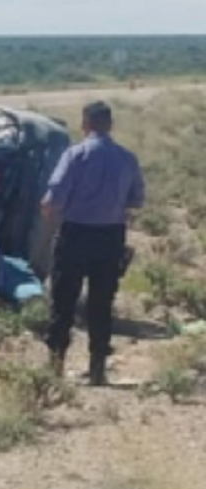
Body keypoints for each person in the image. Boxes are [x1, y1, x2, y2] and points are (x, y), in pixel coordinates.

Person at [41, 101, 145, 386]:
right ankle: (97, 368)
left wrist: (53, 224)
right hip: (111, 237)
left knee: (63, 301)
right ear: (110, 125)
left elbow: (52, 201)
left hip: (75, 234)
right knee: (101, 303)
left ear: (85, 124)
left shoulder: (75, 155)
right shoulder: (127, 158)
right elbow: (136, 200)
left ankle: (55, 366)